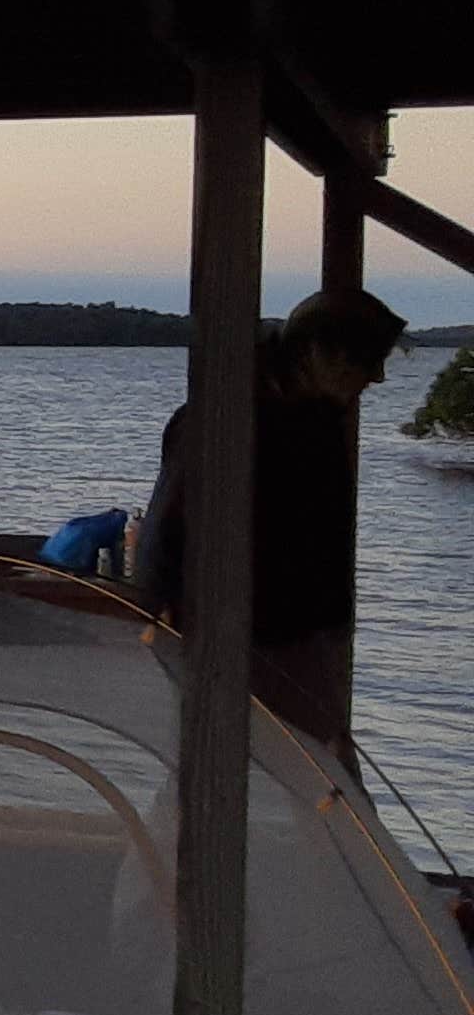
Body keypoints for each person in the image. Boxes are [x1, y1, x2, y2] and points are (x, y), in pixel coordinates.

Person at [138, 285, 406, 743]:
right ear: (318, 351)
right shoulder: (223, 419)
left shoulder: (319, 420)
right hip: (237, 643)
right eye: (366, 360)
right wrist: (164, 619)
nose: (376, 377)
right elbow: (164, 532)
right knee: (285, 780)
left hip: (302, 640)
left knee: (317, 784)